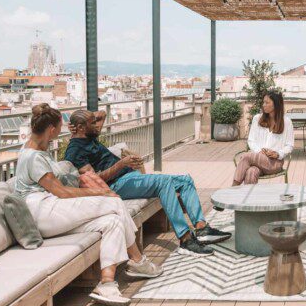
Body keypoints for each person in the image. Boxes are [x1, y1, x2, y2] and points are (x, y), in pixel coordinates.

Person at [15, 104, 161, 306]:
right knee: (114, 202)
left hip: (51, 211)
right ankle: (137, 260)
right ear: (50, 130)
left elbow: (98, 115)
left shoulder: (34, 149)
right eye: (58, 130)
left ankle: (107, 284)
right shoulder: (34, 157)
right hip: (42, 212)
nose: (59, 134)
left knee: (112, 221)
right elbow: (62, 192)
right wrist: (100, 192)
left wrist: (78, 124)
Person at [64, 109, 231, 257]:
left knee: (185, 180)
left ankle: (201, 228)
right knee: (163, 182)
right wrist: (121, 164)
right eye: (92, 123)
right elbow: (96, 181)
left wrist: (84, 120)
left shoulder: (89, 136)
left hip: (129, 177)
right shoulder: (75, 150)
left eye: (95, 123)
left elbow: (102, 114)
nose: (97, 125)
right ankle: (185, 239)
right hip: (117, 185)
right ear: (80, 128)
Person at [233, 91, 294, 185]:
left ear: (276, 104)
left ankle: (233, 190)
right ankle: (249, 199)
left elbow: (289, 146)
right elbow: (251, 140)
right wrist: (259, 152)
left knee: (246, 157)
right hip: (257, 159)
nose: (263, 105)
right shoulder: (257, 118)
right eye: (263, 102)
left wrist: (278, 154)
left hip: (274, 163)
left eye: (267, 102)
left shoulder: (286, 122)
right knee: (251, 172)